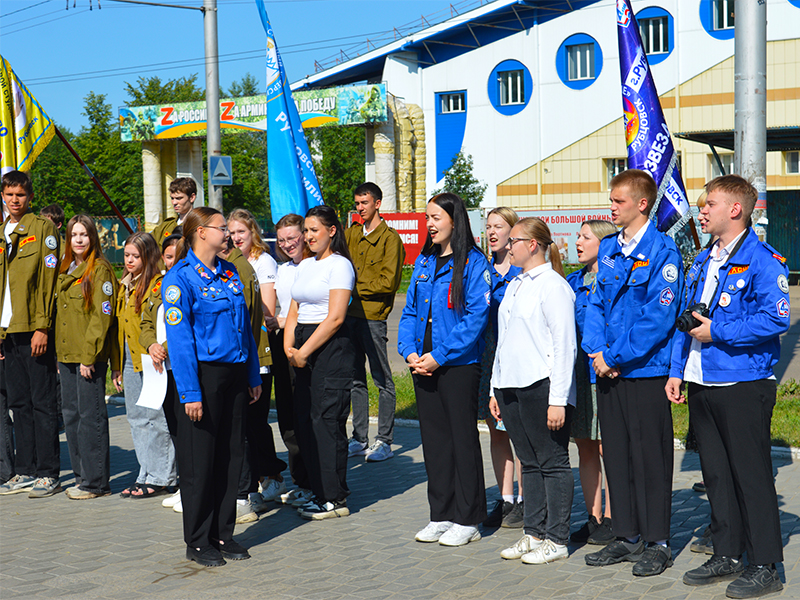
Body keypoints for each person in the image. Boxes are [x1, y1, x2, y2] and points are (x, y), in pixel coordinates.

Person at [667, 175, 789, 598]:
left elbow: (775, 318)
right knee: (716, 475)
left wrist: (719, 331)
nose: (701, 211)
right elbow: (689, 317)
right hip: (702, 378)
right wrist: (676, 370)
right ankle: (728, 552)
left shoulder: (762, 259)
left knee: (750, 476)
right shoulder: (705, 258)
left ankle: (765, 565)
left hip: (742, 382)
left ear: (735, 209)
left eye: (709, 204)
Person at [581, 169, 684, 576]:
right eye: (611, 200)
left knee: (650, 460)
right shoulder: (609, 250)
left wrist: (615, 355)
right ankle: (626, 536)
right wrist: (596, 352)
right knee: (618, 456)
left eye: (618, 201)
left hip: (645, 372)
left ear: (642, 204)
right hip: (607, 371)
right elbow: (594, 305)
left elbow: (657, 317)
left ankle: (657, 541)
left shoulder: (663, 252)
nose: (611, 207)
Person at [164, 207, 262, 567]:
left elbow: (246, 331)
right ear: (201, 232)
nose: (230, 235)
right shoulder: (180, 279)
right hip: (202, 378)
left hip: (235, 375)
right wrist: (190, 392)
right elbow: (180, 342)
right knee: (199, 462)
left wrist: (252, 375)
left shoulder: (230, 272)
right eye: (223, 229)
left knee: (230, 456)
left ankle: (224, 533)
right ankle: (198, 539)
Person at [398, 192, 490, 547]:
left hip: (457, 365)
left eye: (436, 217)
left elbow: (474, 320)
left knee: (461, 440)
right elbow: (408, 313)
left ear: (455, 220)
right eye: (427, 218)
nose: (430, 224)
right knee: (434, 443)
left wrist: (440, 354)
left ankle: (468, 518)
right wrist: (409, 352)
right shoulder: (424, 261)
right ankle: (441, 514)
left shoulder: (473, 263)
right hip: (423, 365)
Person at [490, 217, 577, 564]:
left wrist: (558, 400)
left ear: (534, 245)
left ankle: (557, 538)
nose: (507, 246)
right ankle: (533, 532)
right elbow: (504, 341)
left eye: (514, 240)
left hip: (541, 386)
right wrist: (495, 389)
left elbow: (564, 343)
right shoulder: (514, 285)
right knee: (529, 462)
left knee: (552, 462)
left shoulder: (553, 286)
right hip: (510, 385)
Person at [284, 205, 356, 520]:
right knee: (305, 421)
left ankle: (334, 498)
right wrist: (289, 346)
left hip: (329, 348)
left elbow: (336, 317)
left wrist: (305, 350)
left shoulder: (339, 266)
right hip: (301, 345)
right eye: (307, 231)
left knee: (327, 422)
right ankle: (316, 490)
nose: (309, 236)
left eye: (315, 230)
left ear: (332, 231)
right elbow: (294, 309)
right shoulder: (304, 265)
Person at [0, 170, 61, 498]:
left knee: (42, 402)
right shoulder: (1, 232)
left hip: (32, 329)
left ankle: (48, 472)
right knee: (19, 403)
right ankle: (24, 469)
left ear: (30, 197)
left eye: (20, 195)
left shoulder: (42, 229)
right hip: (8, 331)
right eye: (9, 194)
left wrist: (42, 326)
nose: (14, 200)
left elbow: (48, 283)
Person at [227, 208, 287, 518]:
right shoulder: (229, 262)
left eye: (242, 232)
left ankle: (268, 477)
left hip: (259, 348)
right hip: (242, 349)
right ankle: (259, 479)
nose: (236, 238)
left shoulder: (262, 263)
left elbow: (264, 310)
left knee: (255, 421)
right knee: (248, 423)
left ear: (253, 233)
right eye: (232, 233)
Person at [55, 215, 119, 500]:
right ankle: (82, 477)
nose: (79, 240)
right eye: (74, 235)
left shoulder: (100, 270)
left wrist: (89, 356)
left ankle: (96, 483)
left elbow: (100, 318)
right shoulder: (66, 268)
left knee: (90, 417)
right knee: (71, 417)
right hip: (66, 354)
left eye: (84, 234)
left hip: (87, 356)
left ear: (93, 237)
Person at [345, 182, 405, 462]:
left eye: (364, 203)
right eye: (357, 203)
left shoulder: (389, 239)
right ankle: (358, 438)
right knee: (355, 378)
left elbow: (388, 282)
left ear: (377, 203)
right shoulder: (351, 234)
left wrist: (351, 288)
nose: (360, 208)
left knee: (382, 380)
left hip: (373, 317)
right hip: (348, 317)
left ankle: (384, 441)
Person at [114, 232, 177, 498]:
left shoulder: (157, 284)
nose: (129, 260)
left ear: (148, 256)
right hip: (130, 357)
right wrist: (117, 365)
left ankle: (163, 475)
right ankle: (146, 472)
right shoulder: (125, 284)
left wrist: (158, 350)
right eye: (127, 255)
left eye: (135, 256)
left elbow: (162, 323)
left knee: (155, 417)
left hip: (151, 357)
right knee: (137, 417)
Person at [567, 219, 618, 545]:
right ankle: (593, 516)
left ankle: (615, 518)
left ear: (603, 243)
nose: (578, 242)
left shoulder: (613, 280)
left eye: (585, 237)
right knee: (585, 445)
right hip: (578, 378)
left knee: (607, 449)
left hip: (604, 375)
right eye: (578, 236)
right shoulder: (572, 282)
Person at [479, 207, 524, 529]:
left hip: (516, 360)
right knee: (495, 430)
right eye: (488, 227)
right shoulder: (482, 270)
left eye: (499, 226)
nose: (492, 232)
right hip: (486, 358)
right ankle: (505, 498)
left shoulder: (523, 271)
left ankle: (525, 499)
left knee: (519, 433)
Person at [268, 213, 313, 507]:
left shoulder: (314, 266)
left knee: (306, 413)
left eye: (292, 238)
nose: (287, 244)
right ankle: (300, 479)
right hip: (281, 345)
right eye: (282, 240)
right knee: (286, 415)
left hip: (305, 343)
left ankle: (312, 481)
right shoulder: (282, 270)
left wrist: (283, 321)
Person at [139, 233, 184, 513]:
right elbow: (145, 320)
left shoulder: (189, 281)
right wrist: (151, 344)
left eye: (177, 255)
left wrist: (164, 347)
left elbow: (185, 323)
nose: (172, 260)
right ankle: (182, 484)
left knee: (188, 428)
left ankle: (191, 485)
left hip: (180, 365)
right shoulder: (159, 285)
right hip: (160, 368)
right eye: (168, 256)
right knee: (174, 427)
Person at [151, 177, 196, 246]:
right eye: (172, 198)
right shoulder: (166, 226)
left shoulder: (198, 225)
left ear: (192, 197)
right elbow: (145, 243)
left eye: (179, 198)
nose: (174, 202)